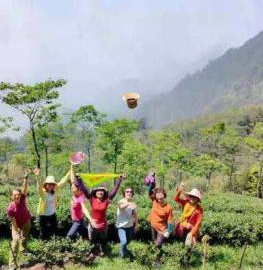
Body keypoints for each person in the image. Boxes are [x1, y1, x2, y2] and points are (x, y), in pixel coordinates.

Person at [75, 174, 124, 257]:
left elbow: (114, 191)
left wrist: (119, 180)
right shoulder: (91, 198)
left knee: (103, 239)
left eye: (102, 191)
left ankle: (103, 251)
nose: (100, 192)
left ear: (104, 192)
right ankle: (93, 252)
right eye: (98, 190)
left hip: (103, 225)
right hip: (93, 224)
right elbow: (84, 189)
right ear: (95, 192)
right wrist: (79, 180)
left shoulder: (106, 199)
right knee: (92, 240)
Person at [34, 167, 71, 240]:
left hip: (52, 214)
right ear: (45, 185)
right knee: (43, 230)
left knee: (54, 228)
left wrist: (71, 169)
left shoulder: (55, 190)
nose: (50, 185)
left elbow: (63, 180)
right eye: (48, 184)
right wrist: (37, 177)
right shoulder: (43, 193)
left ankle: (53, 241)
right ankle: (43, 243)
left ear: (54, 185)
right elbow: (39, 187)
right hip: (43, 215)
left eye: (52, 184)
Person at [8, 171, 31, 270]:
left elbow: (24, 189)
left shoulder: (22, 199)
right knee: (15, 242)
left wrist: (26, 177)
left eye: (18, 194)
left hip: (26, 221)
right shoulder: (10, 208)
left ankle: (24, 251)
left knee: (24, 238)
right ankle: (12, 264)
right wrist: (17, 231)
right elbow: (13, 221)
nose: (17, 196)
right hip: (16, 225)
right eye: (15, 195)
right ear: (12, 196)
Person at [148, 181, 173, 267]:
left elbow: (170, 220)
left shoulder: (168, 207)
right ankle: (156, 257)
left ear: (164, 195)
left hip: (162, 229)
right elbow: (150, 191)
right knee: (155, 243)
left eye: (161, 195)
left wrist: (169, 231)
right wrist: (152, 181)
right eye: (157, 195)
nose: (159, 197)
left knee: (158, 244)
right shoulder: (154, 201)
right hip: (153, 226)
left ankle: (158, 262)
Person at [67, 166, 95, 239]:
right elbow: (72, 179)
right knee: (81, 235)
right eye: (71, 187)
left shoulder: (80, 197)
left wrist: (90, 218)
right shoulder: (74, 193)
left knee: (69, 235)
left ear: (78, 188)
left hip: (78, 221)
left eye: (74, 187)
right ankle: (84, 244)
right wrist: (72, 166)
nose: (72, 188)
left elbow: (84, 209)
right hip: (73, 219)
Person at [116, 187, 139, 259]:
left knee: (127, 242)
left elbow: (135, 215)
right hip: (121, 227)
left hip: (130, 227)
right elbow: (121, 207)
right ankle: (122, 257)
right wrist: (129, 204)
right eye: (127, 191)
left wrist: (136, 225)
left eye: (131, 192)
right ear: (124, 193)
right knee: (124, 242)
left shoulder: (133, 203)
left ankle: (124, 251)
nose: (129, 193)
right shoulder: (121, 201)